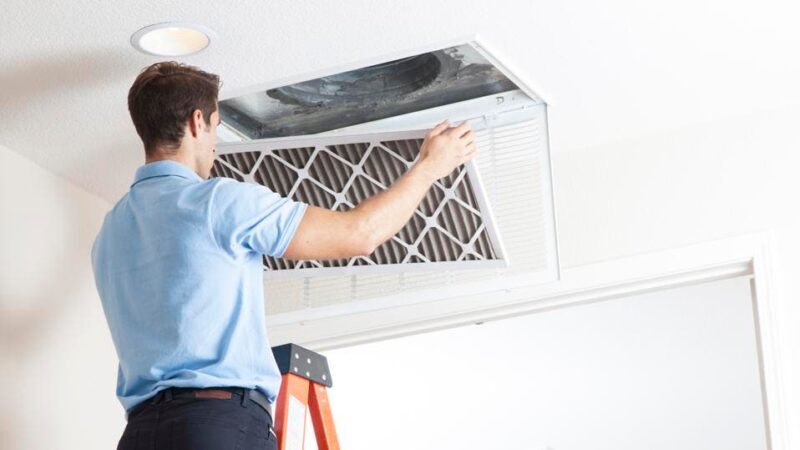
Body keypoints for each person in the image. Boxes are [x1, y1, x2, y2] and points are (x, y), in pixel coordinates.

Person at [91, 61, 476, 450]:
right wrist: (430, 168)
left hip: (138, 435)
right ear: (197, 122)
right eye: (216, 127)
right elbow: (359, 235)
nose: (215, 145)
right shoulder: (218, 200)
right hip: (214, 424)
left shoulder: (110, 232)